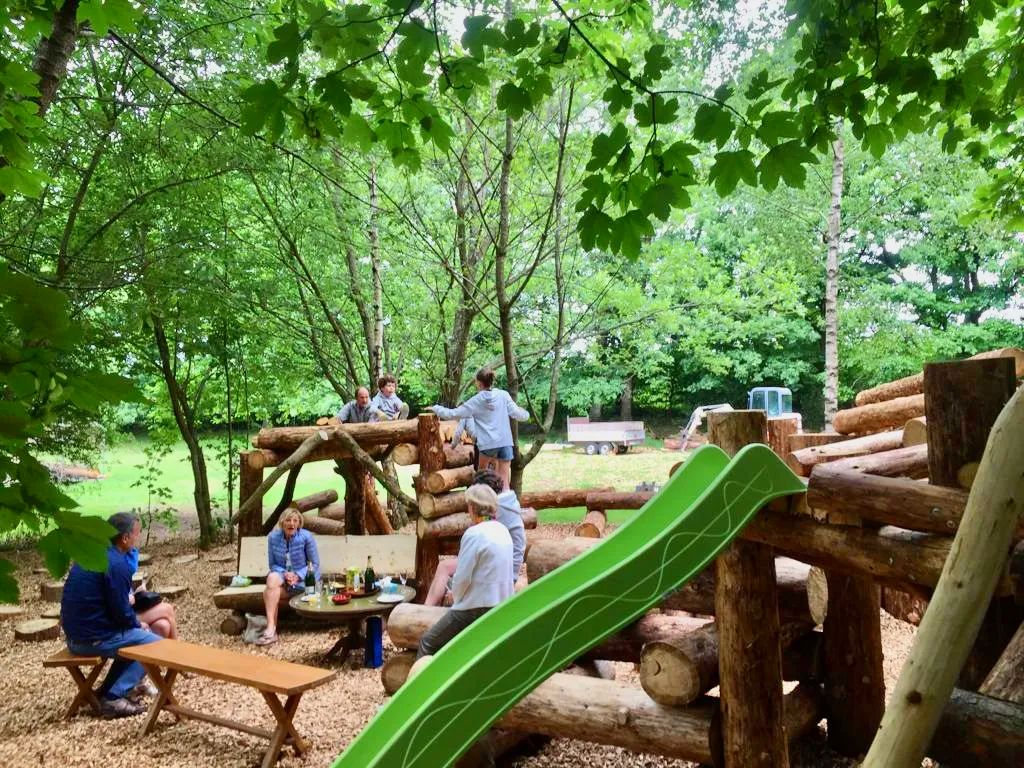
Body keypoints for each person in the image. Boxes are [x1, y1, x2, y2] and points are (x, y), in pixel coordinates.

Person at [61, 512, 163, 718]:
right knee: (155, 645)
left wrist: (133, 624)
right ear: (125, 538)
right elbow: (121, 611)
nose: (138, 539)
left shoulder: (91, 555)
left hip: (74, 637)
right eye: (137, 534)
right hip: (93, 640)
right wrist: (136, 624)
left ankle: (105, 692)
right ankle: (114, 698)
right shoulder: (117, 565)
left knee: (136, 641)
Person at [418, 484, 513, 658]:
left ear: (472, 507)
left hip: (476, 609)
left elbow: (462, 578)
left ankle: (420, 683)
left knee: (427, 642)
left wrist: (456, 596)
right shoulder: (503, 531)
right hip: (501, 605)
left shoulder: (474, 534)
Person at [425, 469, 526, 606]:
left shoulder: (493, 514)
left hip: (499, 572)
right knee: (447, 568)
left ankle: (426, 609)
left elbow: (466, 573)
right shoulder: (501, 506)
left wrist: (456, 594)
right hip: (501, 567)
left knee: (444, 567)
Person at [428, 368, 528, 490]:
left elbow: (453, 414)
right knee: (504, 483)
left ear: (480, 383)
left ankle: (483, 505)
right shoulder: (503, 395)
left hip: (487, 445)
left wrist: (436, 408)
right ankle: (505, 508)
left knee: (482, 480)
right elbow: (517, 414)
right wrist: (526, 414)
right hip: (505, 443)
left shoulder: (477, 400)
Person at [257, 507, 319, 646]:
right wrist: (286, 574)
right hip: (284, 578)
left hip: (304, 582)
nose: (292, 523)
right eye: (288, 520)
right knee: (272, 578)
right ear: (282, 522)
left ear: (299, 523)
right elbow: (273, 564)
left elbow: (314, 564)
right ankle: (271, 627)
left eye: (295, 520)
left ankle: (271, 631)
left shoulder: (306, 537)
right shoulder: (273, 537)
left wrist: (297, 575)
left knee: (269, 592)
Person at [125, 547, 178, 640]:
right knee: (168, 609)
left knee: (163, 626)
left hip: (132, 612)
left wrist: (137, 592)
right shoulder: (113, 568)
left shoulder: (120, 568)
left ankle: (161, 653)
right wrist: (131, 598)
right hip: (124, 618)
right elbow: (118, 604)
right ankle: (177, 649)